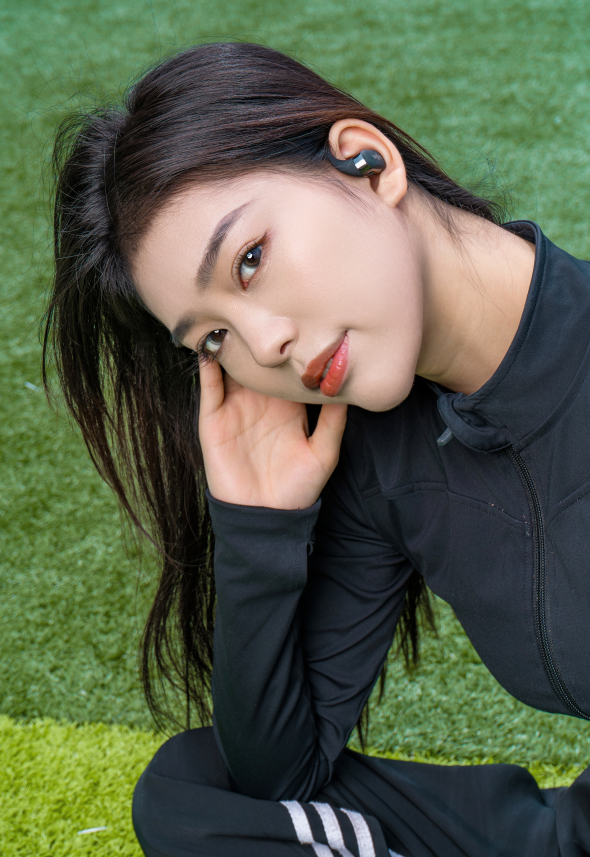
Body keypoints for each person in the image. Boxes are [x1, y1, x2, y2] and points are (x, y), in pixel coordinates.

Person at [44, 42, 590, 857]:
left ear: (368, 163)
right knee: (191, 792)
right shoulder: (382, 461)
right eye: (213, 337)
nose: (263, 344)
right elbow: (281, 772)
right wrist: (258, 525)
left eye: (250, 260)